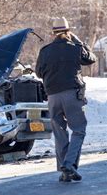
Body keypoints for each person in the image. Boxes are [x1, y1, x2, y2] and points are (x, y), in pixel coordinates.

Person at [36, 17, 96, 182]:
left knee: (60, 133)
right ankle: (69, 165)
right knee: (78, 130)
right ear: (69, 31)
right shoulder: (76, 48)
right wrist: (78, 41)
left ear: (53, 33)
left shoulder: (45, 50)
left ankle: (65, 171)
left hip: (52, 97)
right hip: (72, 95)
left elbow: (39, 73)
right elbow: (91, 58)